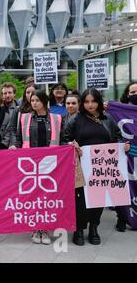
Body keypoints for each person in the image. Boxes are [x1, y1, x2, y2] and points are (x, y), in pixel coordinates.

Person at [63, 88, 130, 246]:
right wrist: (72, 145)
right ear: (82, 103)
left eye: (93, 101)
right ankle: (78, 229)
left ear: (99, 102)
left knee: (98, 199)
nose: (90, 105)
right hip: (81, 166)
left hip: (102, 168)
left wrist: (122, 146)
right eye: (86, 102)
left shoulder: (107, 119)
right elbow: (65, 139)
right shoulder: (76, 119)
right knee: (80, 200)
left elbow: (118, 138)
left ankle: (94, 228)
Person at [14, 90, 63, 245]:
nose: (34, 103)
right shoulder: (24, 117)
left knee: (47, 197)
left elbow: (61, 140)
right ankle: (35, 227)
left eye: (37, 100)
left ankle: (45, 228)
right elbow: (18, 137)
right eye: (32, 100)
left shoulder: (57, 118)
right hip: (30, 165)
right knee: (33, 198)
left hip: (50, 164)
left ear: (44, 101)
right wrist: (14, 146)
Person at [113, 81, 137, 232]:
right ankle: (122, 217)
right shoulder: (119, 112)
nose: (135, 95)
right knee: (123, 187)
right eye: (132, 92)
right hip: (126, 156)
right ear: (127, 95)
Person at [7, 84, 38, 149]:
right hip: (21, 146)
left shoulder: (42, 110)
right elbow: (13, 129)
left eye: (33, 92)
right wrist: (14, 144)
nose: (30, 94)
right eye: (28, 92)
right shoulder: (18, 110)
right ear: (24, 95)